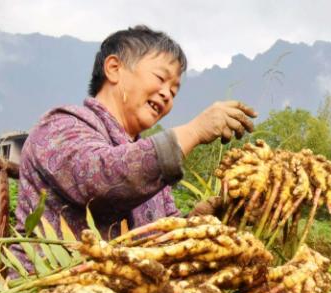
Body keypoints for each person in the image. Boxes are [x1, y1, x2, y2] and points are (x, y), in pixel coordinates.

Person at [16, 25, 257, 239]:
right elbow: (99, 180)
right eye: (161, 78)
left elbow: (162, 237)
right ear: (114, 68)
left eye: (174, 91)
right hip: (58, 285)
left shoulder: (150, 170)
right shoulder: (59, 127)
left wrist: (197, 221)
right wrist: (193, 132)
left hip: (125, 287)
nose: (167, 94)